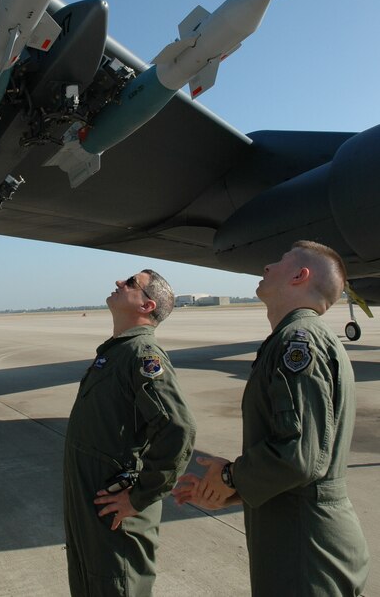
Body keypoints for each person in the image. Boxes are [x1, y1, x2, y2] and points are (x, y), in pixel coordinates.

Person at [173, 240, 369, 596]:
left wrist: (232, 475)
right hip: (298, 534)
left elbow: (299, 457)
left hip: (303, 544)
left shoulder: (299, 341)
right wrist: (230, 490)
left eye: (279, 260)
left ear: (300, 275)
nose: (266, 266)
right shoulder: (296, 338)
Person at [64, 269, 196, 596]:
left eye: (131, 283)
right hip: (92, 512)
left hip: (116, 517)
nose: (119, 283)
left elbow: (178, 429)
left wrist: (139, 497)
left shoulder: (142, 355)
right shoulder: (117, 352)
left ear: (147, 306)